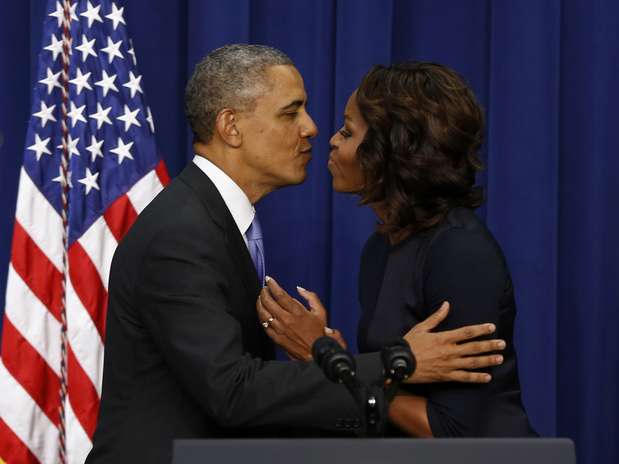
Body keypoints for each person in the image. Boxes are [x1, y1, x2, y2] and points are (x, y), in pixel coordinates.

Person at [87, 46, 507, 463]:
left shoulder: (214, 220)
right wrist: (397, 363)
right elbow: (232, 392)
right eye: (291, 113)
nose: (311, 128)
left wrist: (328, 359)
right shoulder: (181, 233)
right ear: (231, 126)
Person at [258, 62, 536, 437]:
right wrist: (343, 361)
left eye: (348, 130)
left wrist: (331, 364)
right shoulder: (380, 247)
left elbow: (452, 431)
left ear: (390, 151)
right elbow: (393, 385)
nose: (332, 140)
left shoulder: (459, 253)